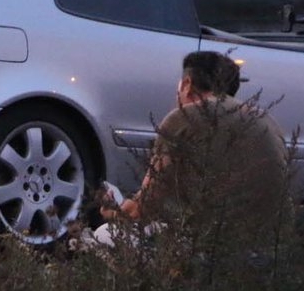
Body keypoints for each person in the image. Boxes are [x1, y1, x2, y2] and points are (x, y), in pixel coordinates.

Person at [94, 50, 289, 250]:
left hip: (212, 246)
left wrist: (115, 211)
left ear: (187, 84)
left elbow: (143, 208)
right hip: (265, 245)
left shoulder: (184, 117)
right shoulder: (266, 120)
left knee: (104, 236)